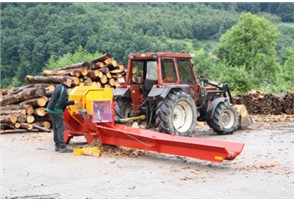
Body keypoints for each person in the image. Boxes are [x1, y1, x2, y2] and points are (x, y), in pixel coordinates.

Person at [46, 76, 76, 153]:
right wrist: (73, 102)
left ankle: (57, 145)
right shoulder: (64, 90)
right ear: (64, 82)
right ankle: (63, 147)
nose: (70, 83)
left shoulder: (59, 86)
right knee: (60, 128)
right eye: (69, 82)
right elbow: (63, 102)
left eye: (70, 81)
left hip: (51, 109)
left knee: (56, 128)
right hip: (56, 110)